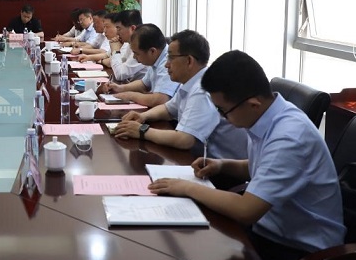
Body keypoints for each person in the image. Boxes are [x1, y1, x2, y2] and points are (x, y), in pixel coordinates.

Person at [148, 50, 345, 260]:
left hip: (302, 256)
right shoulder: (268, 115)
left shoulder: (289, 136)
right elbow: (260, 167)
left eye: (223, 110)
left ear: (253, 104)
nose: (221, 117)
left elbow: (246, 210)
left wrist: (187, 188)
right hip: (270, 233)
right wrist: (222, 165)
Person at [114, 29, 247, 160]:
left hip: (220, 168)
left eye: (171, 57)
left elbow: (184, 140)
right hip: (202, 160)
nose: (166, 65)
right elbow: (168, 109)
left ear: (189, 61)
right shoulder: (191, 82)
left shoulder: (201, 90)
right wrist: (143, 116)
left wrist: (142, 130)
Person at [101, 24, 173, 107]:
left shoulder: (168, 63)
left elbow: (160, 100)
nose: (134, 57)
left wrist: (130, 96)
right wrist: (120, 88)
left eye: (136, 53)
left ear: (152, 51)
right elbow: (144, 84)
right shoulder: (157, 58)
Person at [103, 9, 147, 81]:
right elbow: (120, 63)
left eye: (119, 29)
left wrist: (116, 51)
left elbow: (120, 75)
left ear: (132, 28)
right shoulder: (128, 43)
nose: (117, 33)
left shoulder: (143, 44)